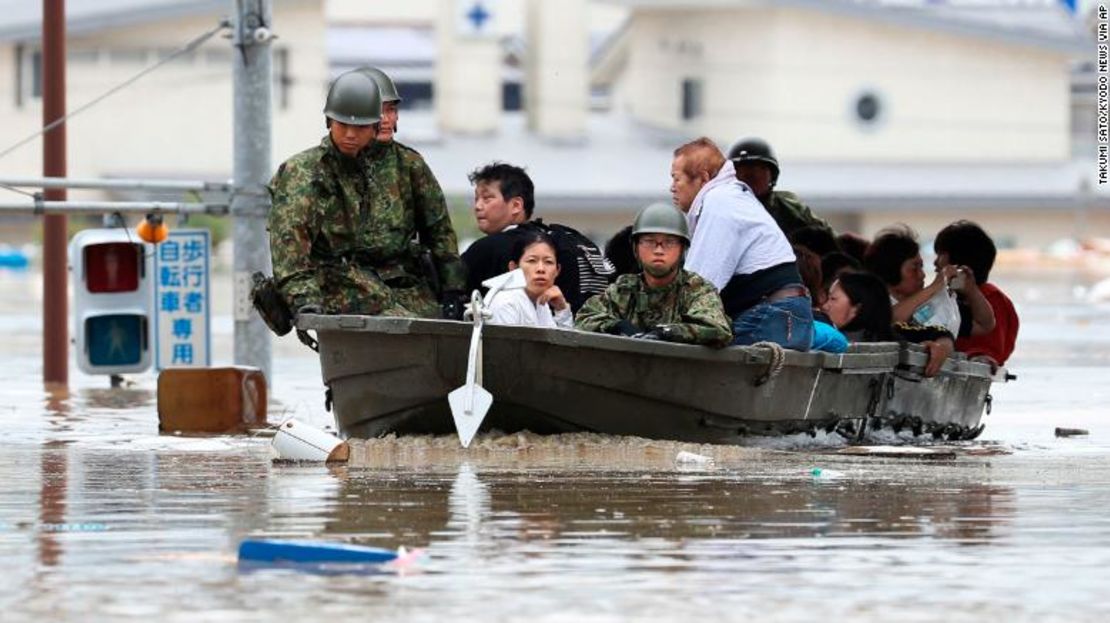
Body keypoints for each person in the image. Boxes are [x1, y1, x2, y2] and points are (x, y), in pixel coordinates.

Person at [671, 137, 813, 350]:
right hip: (791, 317)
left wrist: (660, 327)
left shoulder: (720, 202)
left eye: (676, 179)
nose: (672, 188)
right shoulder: (734, 197)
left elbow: (700, 286)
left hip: (770, 318)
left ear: (703, 178)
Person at [356, 66, 468, 317]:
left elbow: (439, 230)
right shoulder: (334, 164)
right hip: (350, 282)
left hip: (402, 281)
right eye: (378, 111)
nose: (385, 119)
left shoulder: (409, 165)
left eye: (391, 110)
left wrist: (453, 290)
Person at [575, 203, 733, 348]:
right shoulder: (623, 289)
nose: (658, 250)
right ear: (636, 248)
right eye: (650, 241)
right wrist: (617, 326)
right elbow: (584, 318)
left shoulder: (696, 289)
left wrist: (667, 332)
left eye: (669, 242)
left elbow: (717, 329)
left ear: (682, 249)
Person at [461, 162, 613, 311]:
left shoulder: (487, 249)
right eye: (476, 199)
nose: (478, 206)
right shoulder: (569, 239)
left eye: (487, 199)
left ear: (516, 205)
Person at [864, 225, 994, 339]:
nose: (922, 275)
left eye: (921, 267)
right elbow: (890, 320)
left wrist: (971, 290)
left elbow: (984, 325)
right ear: (890, 268)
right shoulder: (869, 301)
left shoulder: (934, 304)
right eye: (915, 268)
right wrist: (935, 286)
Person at [817, 271, 955, 376]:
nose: (825, 306)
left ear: (857, 308)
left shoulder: (889, 336)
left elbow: (939, 333)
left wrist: (941, 347)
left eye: (833, 299)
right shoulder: (816, 330)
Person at [934, 220, 1019, 369]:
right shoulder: (947, 299)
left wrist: (982, 358)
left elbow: (989, 349)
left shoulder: (992, 298)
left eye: (941, 254)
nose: (935, 263)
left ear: (958, 263)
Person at [727, 137, 833, 238]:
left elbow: (827, 240)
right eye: (743, 171)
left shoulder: (790, 209)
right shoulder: (719, 208)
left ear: (772, 176)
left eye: (759, 169)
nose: (752, 176)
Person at [485, 230, 574, 328]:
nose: (541, 269)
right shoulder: (506, 301)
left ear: (557, 270)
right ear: (513, 268)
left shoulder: (541, 303)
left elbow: (561, 341)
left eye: (548, 262)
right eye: (532, 261)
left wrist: (561, 309)